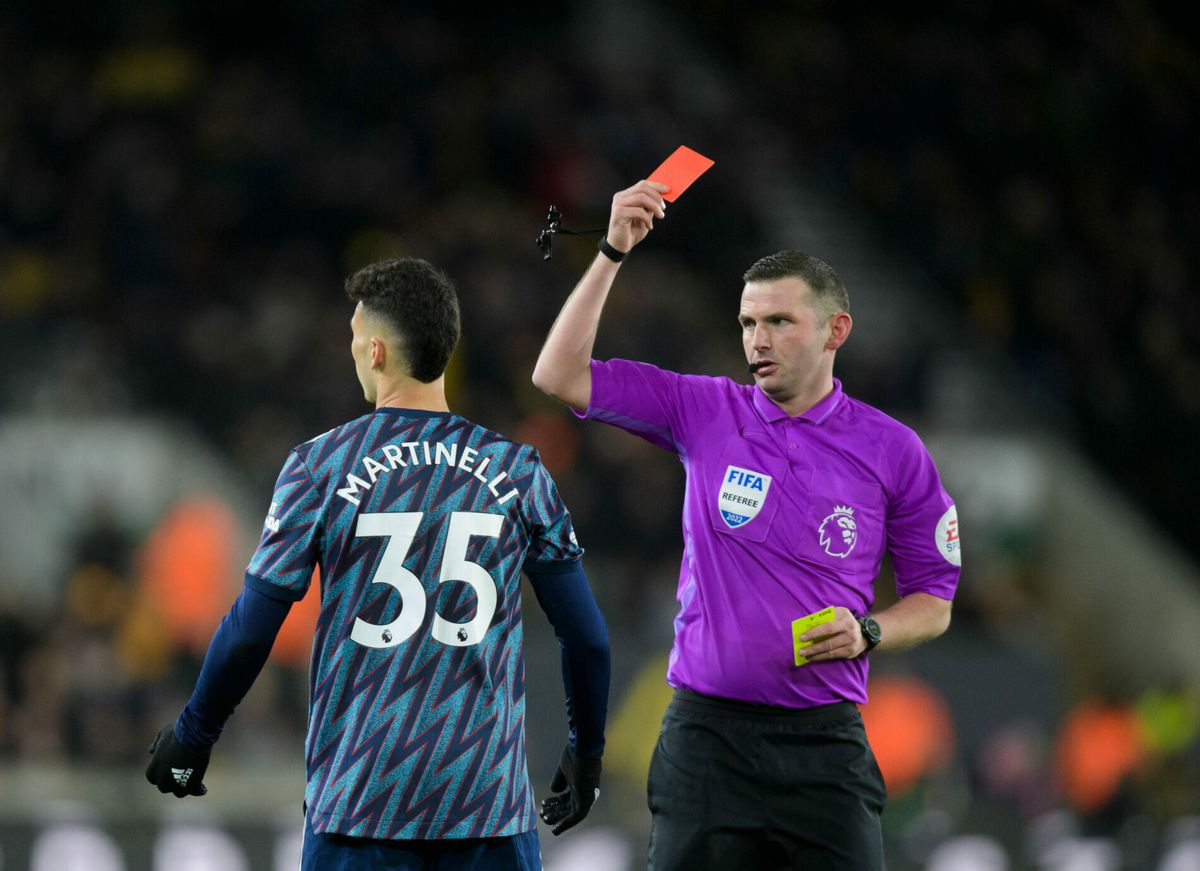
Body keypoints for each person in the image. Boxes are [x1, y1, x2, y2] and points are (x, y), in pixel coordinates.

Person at [532, 181, 961, 869]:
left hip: (825, 748)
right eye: (747, 323)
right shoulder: (702, 409)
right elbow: (557, 374)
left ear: (835, 330)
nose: (757, 340)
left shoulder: (893, 450)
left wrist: (871, 629)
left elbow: (935, 601)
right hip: (707, 738)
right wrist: (612, 252)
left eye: (779, 322)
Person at [146, 257, 611, 871]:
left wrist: (194, 735)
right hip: (487, 810)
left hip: (360, 806)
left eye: (353, 340)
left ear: (377, 352)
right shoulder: (517, 473)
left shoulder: (321, 467)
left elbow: (250, 631)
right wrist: (584, 754)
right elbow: (587, 638)